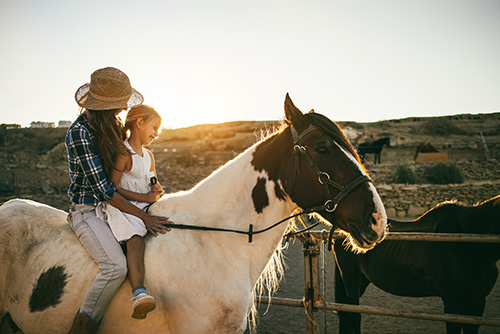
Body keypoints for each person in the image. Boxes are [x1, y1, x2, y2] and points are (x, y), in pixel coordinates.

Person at [65, 67, 171, 334]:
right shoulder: (80, 133)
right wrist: (144, 216)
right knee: (114, 267)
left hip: (119, 202)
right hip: (89, 208)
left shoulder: (110, 125)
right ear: (103, 106)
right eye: (117, 106)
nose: (121, 111)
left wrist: (151, 190)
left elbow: (132, 165)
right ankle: (82, 328)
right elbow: (104, 191)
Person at [96, 104, 163, 320]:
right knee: (135, 240)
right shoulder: (124, 153)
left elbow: (151, 181)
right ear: (139, 123)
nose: (157, 133)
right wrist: (145, 198)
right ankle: (139, 293)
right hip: (122, 207)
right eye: (154, 127)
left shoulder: (149, 155)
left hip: (143, 206)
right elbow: (112, 188)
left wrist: (156, 190)